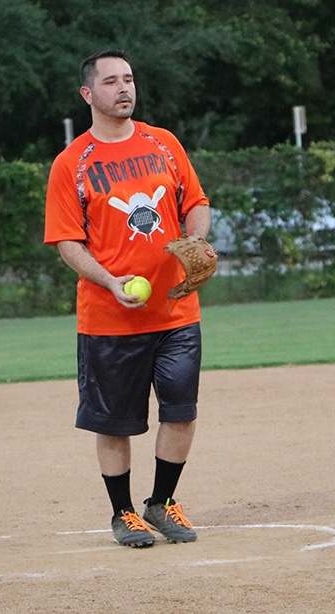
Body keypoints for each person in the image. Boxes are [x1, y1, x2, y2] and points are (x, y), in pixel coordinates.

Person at [44, 49, 212, 547]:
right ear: (88, 93)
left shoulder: (163, 144)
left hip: (177, 309)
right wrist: (111, 282)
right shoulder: (71, 163)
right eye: (112, 81)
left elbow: (194, 203)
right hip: (109, 318)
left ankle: (161, 502)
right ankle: (123, 513)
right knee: (114, 423)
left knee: (181, 412)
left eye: (129, 79)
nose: (124, 88)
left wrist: (198, 241)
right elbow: (67, 242)